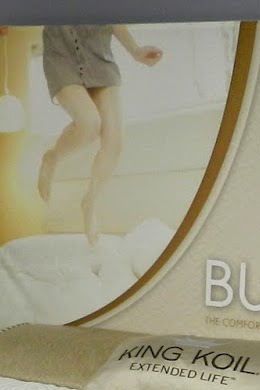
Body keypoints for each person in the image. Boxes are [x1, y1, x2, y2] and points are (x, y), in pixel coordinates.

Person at [37, 25, 162, 242]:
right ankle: (52, 157)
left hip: (99, 56)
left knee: (114, 141)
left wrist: (135, 50)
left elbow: (112, 16)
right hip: (61, 52)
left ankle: (90, 202)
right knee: (89, 123)